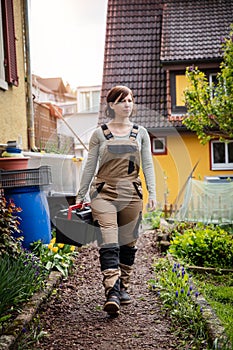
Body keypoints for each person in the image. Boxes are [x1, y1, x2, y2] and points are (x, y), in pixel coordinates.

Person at [76, 85, 156, 316]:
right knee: (109, 239)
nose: (127, 104)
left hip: (132, 193)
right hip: (104, 192)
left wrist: (152, 193)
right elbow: (89, 165)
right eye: (122, 101)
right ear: (111, 105)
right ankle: (111, 291)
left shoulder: (140, 132)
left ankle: (124, 287)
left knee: (128, 241)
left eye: (130, 100)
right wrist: (81, 195)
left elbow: (148, 164)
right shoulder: (99, 134)